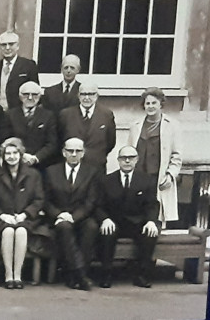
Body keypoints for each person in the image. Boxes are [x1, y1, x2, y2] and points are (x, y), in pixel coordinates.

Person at [95, 145, 160, 288]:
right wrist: (105, 219)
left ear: (136, 160)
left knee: (150, 233)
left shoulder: (146, 180)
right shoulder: (106, 180)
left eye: (131, 158)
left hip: (137, 222)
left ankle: (142, 275)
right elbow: (98, 205)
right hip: (114, 221)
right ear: (118, 160)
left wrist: (151, 221)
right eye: (123, 158)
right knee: (107, 233)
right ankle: (106, 274)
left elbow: (152, 204)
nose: (127, 161)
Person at [0, 138, 46, 289]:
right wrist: (2, 215)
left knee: (20, 231)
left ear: (20, 155)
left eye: (15, 153)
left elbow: (39, 200)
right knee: (7, 231)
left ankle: (18, 275)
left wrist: (24, 215)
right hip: (2, 219)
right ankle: (8, 275)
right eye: (8, 154)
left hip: (26, 218)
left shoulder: (33, 175)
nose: (11, 157)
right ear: (3, 156)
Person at [43, 138, 100, 291]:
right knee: (64, 227)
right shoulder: (51, 171)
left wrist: (74, 217)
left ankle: (74, 274)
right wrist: (59, 214)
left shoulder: (92, 172)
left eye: (78, 151)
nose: (74, 154)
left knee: (92, 227)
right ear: (63, 152)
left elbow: (90, 201)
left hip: (81, 216)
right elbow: (46, 201)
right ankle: (80, 275)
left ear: (83, 153)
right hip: (58, 217)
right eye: (70, 151)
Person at [126, 87, 182, 224]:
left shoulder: (172, 125)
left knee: (157, 212)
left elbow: (176, 155)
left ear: (161, 104)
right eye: (147, 103)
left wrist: (170, 175)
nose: (150, 106)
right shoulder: (136, 125)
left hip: (158, 176)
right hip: (139, 175)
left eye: (154, 103)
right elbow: (129, 150)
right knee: (137, 210)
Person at [58, 82, 116, 172]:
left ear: (97, 95)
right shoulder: (66, 115)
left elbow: (110, 142)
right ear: (78, 95)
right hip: (72, 166)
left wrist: (96, 155)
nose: (87, 98)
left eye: (91, 94)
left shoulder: (107, 114)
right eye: (83, 94)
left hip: (97, 165)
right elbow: (60, 139)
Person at [5, 81, 58, 169]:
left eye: (34, 95)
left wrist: (36, 157)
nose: (30, 97)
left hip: (41, 165)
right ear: (20, 96)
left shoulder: (48, 116)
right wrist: (22, 155)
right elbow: (6, 139)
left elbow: (52, 143)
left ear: (40, 96)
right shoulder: (10, 115)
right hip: (15, 163)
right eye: (26, 94)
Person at [0, 31, 39, 111]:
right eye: (3, 45)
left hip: (18, 113)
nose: (7, 48)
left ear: (17, 46)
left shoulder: (28, 66)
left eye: (11, 44)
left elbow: (34, 90)